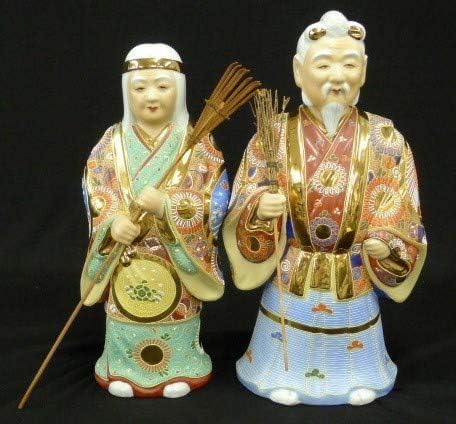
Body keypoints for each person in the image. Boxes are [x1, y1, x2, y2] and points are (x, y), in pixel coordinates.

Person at [223, 11, 427, 406]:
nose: (338, 77)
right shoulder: (272, 134)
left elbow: (401, 208)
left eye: (349, 65)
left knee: (353, 351)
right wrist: (259, 210)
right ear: (298, 71)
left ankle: (361, 374)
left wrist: (385, 242)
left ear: (363, 71)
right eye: (324, 65)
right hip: (293, 268)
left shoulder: (386, 138)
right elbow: (245, 196)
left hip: (353, 269)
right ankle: (279, 373)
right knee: (288, 342)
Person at [80, 43, 230, 398]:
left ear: (179, 91)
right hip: (126, 256)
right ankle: (122, 368)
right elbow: (97, 191)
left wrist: (170, 206)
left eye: (163, 86)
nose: (151, 96)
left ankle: (181, 367)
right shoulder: (110, 143)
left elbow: (216, 199)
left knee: (176, 314)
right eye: (140, 87)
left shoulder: (199, 143)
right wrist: (113, 223)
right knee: (126, 315)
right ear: (126, 91)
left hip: (175, 257)